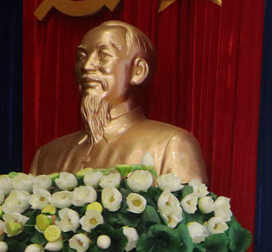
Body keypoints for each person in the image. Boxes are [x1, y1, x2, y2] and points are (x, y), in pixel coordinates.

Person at [30, 20, 207, 182]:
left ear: (138, 71)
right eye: (82, 56)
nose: (86, 66)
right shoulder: (47, 155)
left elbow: (185, 205)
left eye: (103, 55)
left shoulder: (171, 145)